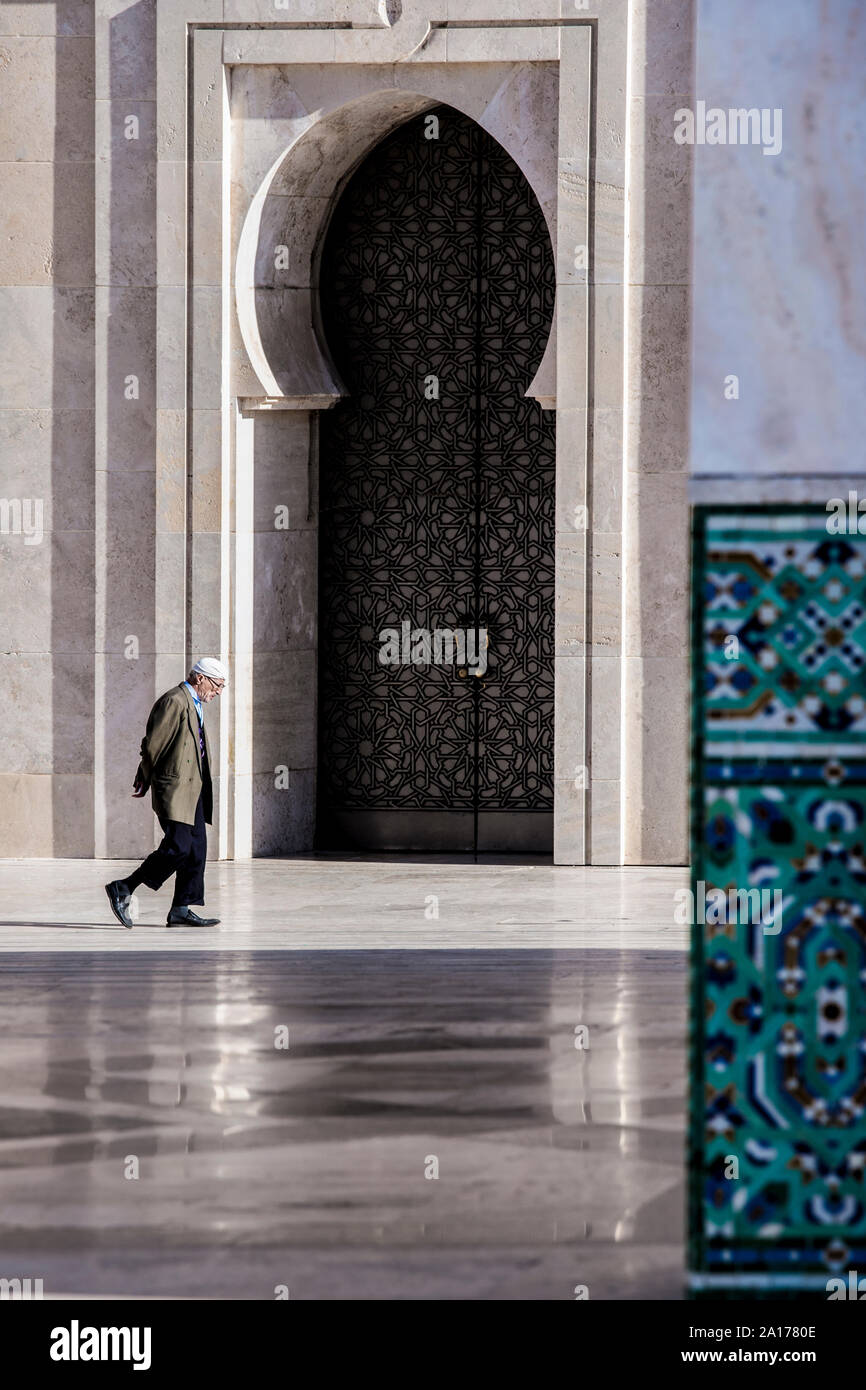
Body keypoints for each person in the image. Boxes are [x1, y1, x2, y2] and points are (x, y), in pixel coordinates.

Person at [105, 658, 228, 928]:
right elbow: (153, 745)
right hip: (174, 789)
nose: (218, 691)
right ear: (200, 678)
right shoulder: (174, 701)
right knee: (178, 847)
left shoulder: (194, 703)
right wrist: (144, 777)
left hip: (193, 789)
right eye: (217, 685)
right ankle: (124, 886)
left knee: (196, 849)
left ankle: (181, 909)